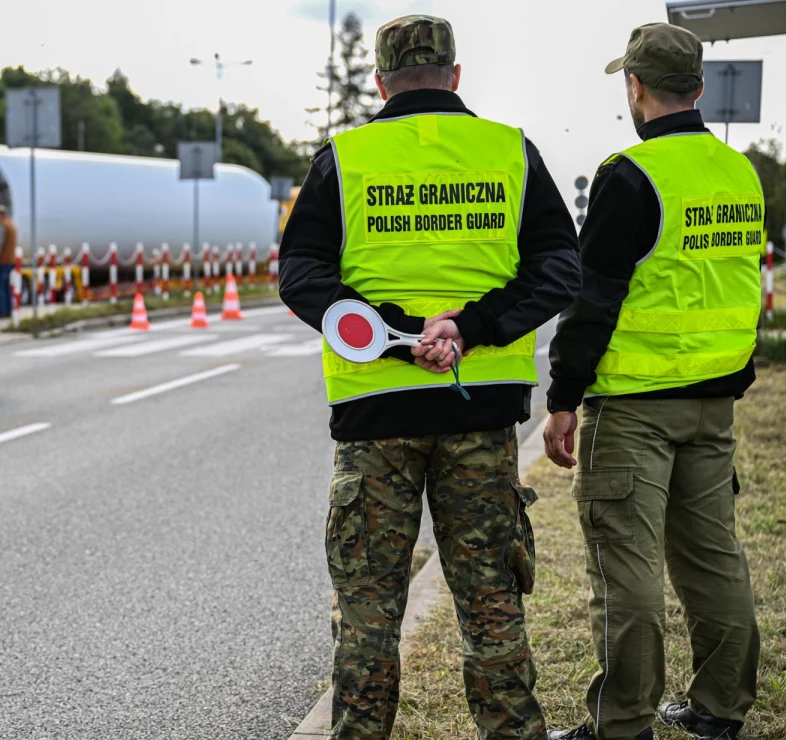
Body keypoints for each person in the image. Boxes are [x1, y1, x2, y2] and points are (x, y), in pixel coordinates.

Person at [279, 14, 580, 740]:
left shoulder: (342, 160)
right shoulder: (511, 152)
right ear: (455, 76)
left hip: (375, 417)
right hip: (477, 413)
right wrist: (469, 326)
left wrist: (390, 336)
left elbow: (301, 275)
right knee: (491, 607)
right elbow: (559, 270)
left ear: (380, 82)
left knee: (368, 617)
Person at [543, 23, 763, 740]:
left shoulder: (630, 175)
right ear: (697, 88)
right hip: (714, 404)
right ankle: (721, 708)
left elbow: (594, 297)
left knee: (626, 570)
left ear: (634, 87)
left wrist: (563, 398)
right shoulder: (738, 173)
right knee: (713, 559)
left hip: (634, 409)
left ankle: (623, 722)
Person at [0, 205, 19, 317]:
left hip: (2, 262)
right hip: (10, 261)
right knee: (7, 288)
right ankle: (8, 310)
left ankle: (1, 311)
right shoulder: (11, 225)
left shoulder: (1, 226)